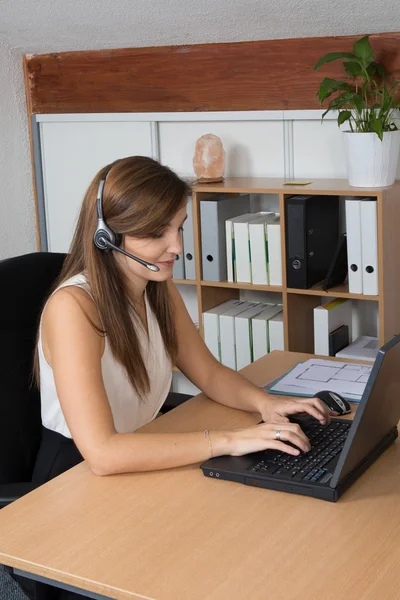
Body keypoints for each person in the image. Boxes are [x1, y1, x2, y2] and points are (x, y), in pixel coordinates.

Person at [33, 155, 333, 485]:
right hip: (75, 475)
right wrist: (230, 440)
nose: (176, 246)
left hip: (142, 448)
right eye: (157, 233)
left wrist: (266, 404)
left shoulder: (155, 286)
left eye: (178, 228)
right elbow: (102, 453)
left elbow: (208, 372)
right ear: (108, 236)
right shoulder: (74, 308)